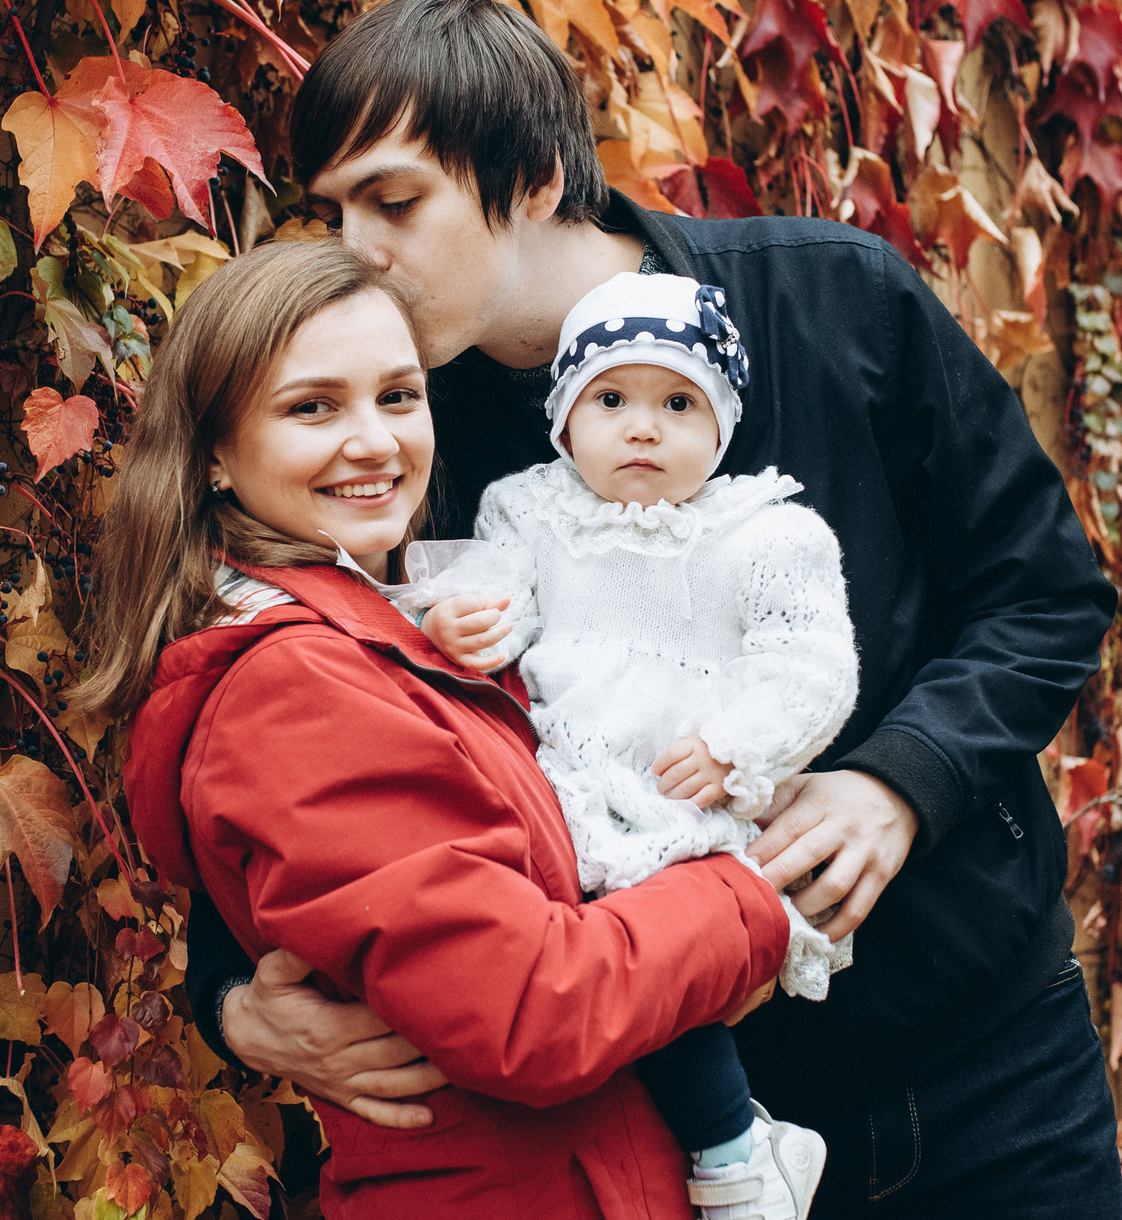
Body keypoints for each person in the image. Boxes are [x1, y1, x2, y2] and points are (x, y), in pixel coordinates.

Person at [186, 0, 1122, 1218]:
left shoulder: (831, 304)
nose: (355, 246)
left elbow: (1045, 588)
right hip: (684, 1126)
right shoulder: (403, 439)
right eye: (334, 209)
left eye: (395, 199)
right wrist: (230, 998)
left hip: (986, 1060)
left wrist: (906, 777)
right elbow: (293, 714)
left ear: (526, 176)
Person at [81, 240, 805, 1218]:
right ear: (214, 450)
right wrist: (748, 899)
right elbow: (536, 1009)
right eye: (313, 406)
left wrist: (224, 997)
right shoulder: (295, 685)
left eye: (398, 395)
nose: (375, 441)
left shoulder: (395, 615)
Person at [412, 269, 858, 1220]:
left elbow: (813, 666)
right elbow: (500, 602)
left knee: (642, 952)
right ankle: (713, 1149)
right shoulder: (528, 511)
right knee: (554, 971)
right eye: (610, 398)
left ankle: (734, 1148)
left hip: (681, 793)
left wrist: (737, 745)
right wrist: (468, 619)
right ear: (565, 417)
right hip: (560, 782)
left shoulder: (763, 534)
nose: (643, 426)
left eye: (678, 401)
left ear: (723, 424)